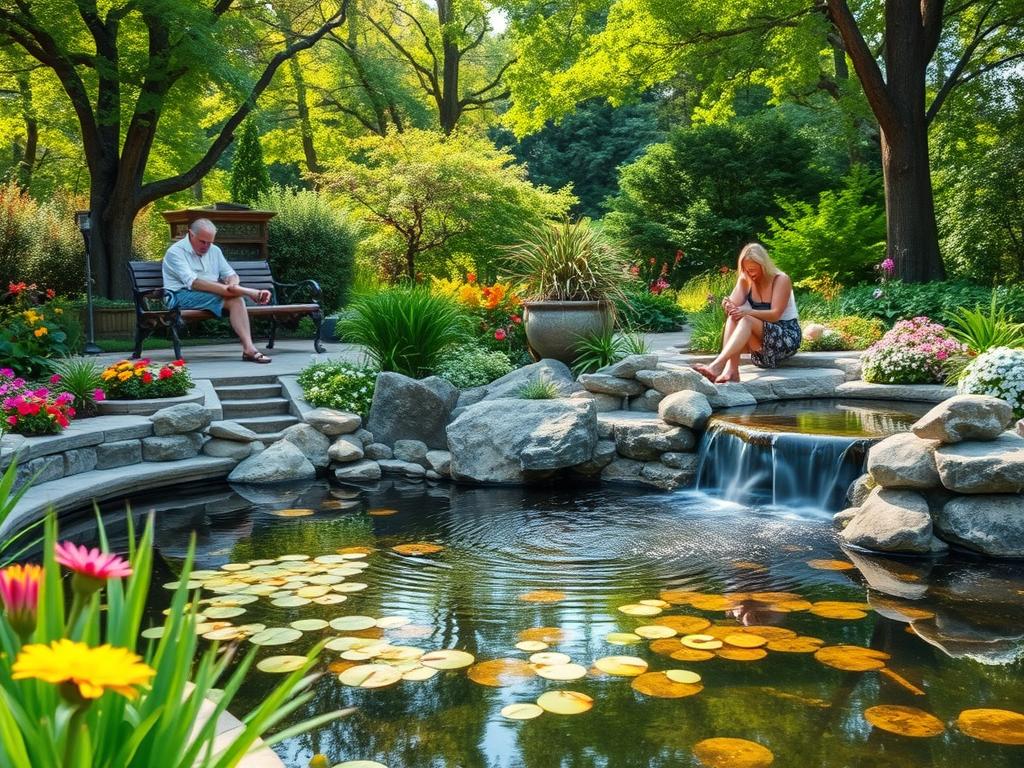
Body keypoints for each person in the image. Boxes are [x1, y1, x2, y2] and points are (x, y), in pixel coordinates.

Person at [162, 218, 273, 363]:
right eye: (203, 241)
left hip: (209, 294)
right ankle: (251, 293)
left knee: (236, 299)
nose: (206, 246)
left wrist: (232, 286)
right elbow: (194, 283)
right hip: (178, 296)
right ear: (191, 234)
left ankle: (249, 349)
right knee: (233, 296)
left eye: (210, 242)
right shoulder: (175, 252)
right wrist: (231, 290)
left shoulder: (214, 250)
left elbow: (231, 274)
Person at [694, 243, 800, 384]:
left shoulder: (781, 279)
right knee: (734, 317)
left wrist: (749, 311)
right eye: (745, 270)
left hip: (785, 339)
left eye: (753, 270)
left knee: (746, 319)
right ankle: (732, 371)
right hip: (762, 349)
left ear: (764, 266)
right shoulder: (745, 279)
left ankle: (717, 365)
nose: (750, 274)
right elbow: (733, 307)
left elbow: (775, 315)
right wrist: (727, 305)